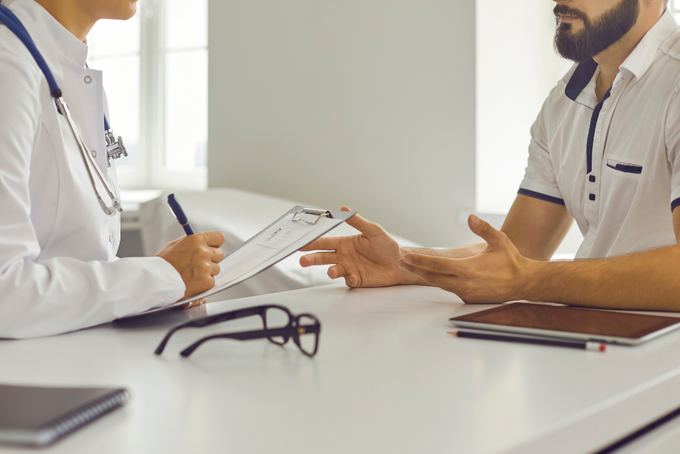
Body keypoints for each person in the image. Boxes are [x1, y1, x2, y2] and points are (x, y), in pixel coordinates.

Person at [300, 0, 680, 311]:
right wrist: (406, 263)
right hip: (596, 343)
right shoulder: (563, 103)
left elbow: (521, 271)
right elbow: (516, 250)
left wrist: (531, 280)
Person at [0, 0, 225, 338]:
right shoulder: (9, 63)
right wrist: (160, 277)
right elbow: (7, 296)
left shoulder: (72, 72)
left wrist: (165, 284)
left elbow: (72, 258)